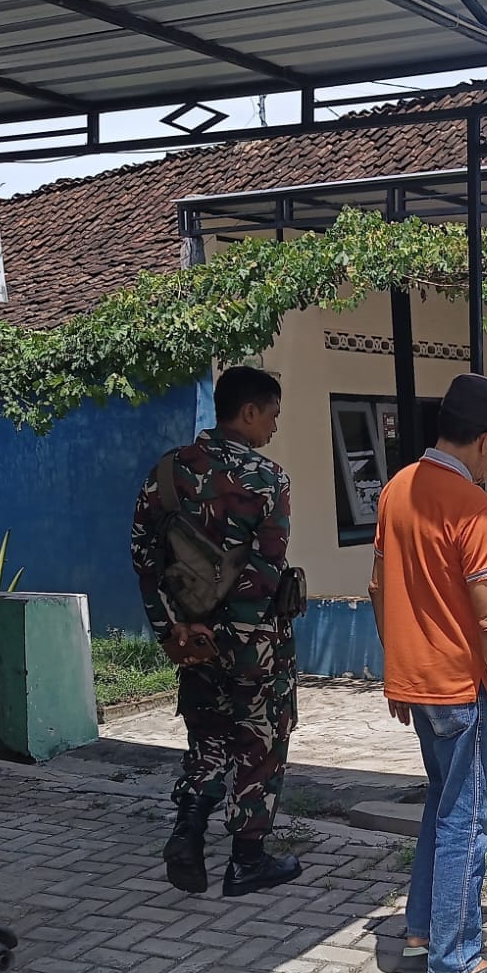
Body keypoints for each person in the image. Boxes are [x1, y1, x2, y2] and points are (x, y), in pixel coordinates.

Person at [370, 373, 487, 973]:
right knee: (470, 822)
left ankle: (420, 931)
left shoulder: (396, 490)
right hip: (464, 690)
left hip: (417, 683)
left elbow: (380, 588)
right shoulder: (473, 507)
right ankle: (456, 961)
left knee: (444, 812)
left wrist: (397, 669)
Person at [131, 365, 303, 897]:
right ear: (248, 412)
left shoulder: (165, 473)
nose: (274, 427)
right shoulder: (267, 478)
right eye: (271, 416)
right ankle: (247, 860)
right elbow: (266, 570)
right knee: (260, 742)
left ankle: (188, 829)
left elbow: (144, 556)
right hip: (253, 647)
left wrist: (172, 631)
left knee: (207, 737)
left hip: (192, 642)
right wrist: (242, 644)